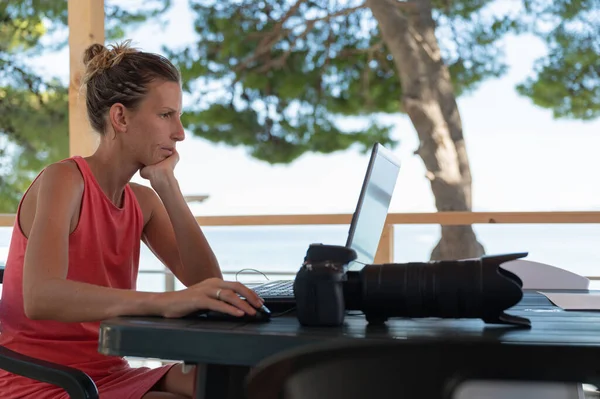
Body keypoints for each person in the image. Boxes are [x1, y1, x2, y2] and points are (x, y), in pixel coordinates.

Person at [0, 40, 264, 399]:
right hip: (41, 379)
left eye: (179, 116)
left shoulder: (143, 201)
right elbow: (40, 296)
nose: (180, 132)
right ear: (121, 117)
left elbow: (207, 283)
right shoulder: (64, 180)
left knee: (243, 382)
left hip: (108, 372)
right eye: (166, 115)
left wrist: (167, 185)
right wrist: (162, 301)